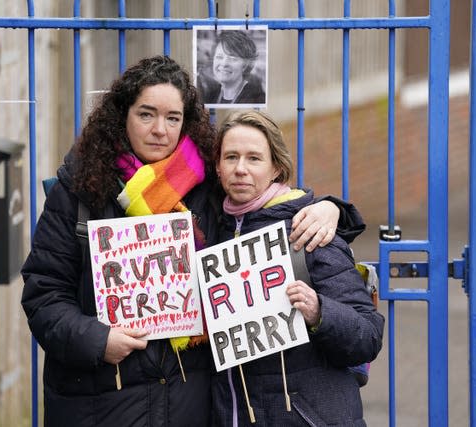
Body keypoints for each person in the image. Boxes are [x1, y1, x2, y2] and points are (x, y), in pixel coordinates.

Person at [21, 55, 361, 427]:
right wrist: (97, 340)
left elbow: (271, 206)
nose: (160, 130)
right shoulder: (79, 189)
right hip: (101, 402)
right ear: (122, 116)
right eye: (146, 114)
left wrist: (330, 210)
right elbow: (44, 293)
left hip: (189, 403)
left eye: (173, 118)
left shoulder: (208, 186)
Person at [210, 110, 384, 426]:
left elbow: (368, 336)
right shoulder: (210, 234)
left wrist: (320, 313)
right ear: (218, 166)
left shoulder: (307, 229)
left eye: (254, 158)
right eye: (231, 157)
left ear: (277, 167)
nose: (240, 169)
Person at [199, 30, 266, 105]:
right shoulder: (210, 96)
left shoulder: (256, 98)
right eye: (219, 57)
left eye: (232, 58)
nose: (224, 64)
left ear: (245, 65)